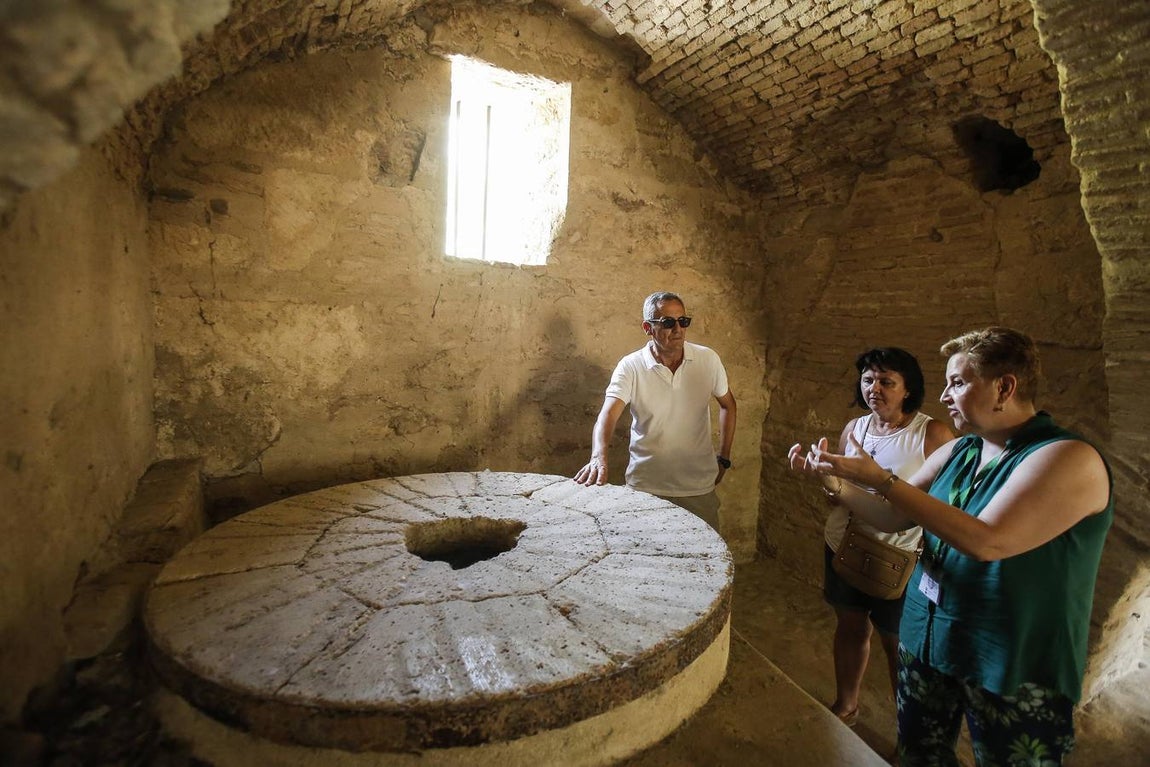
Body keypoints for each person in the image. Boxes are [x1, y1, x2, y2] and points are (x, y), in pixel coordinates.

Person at [789, 327, 1112, 766]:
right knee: (921, 753)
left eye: (957, 383)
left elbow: (987, 540)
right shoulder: (960, 452)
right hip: (930, 638)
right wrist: (836, 484)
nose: (944, 396)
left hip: (1008, 658)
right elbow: (892, 516)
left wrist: (880, 478)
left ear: (1005, 387)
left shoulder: (1066, 457)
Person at [816, 348, 952, 727]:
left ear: (908, 389)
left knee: (898, 645)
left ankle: (908, 734)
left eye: (886, 381)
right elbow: (839, 493)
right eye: (868, 380)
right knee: (850, 626)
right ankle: (846, 705)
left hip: (898, 557)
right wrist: (825, 481)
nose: (874, 388)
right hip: (844, 544)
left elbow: (940, 505)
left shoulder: (932, 434)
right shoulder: (854, 428)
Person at [574, 291, 735, 532]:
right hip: (646, 486)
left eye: (684, 321)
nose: (678, 329)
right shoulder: (631, 366)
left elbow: (728, 405)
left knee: (704, 563)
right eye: (668, 323)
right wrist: (598, 455)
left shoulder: (707, 360)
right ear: (648, 328)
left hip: (697, 486)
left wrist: (724, 458)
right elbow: (608, 414)